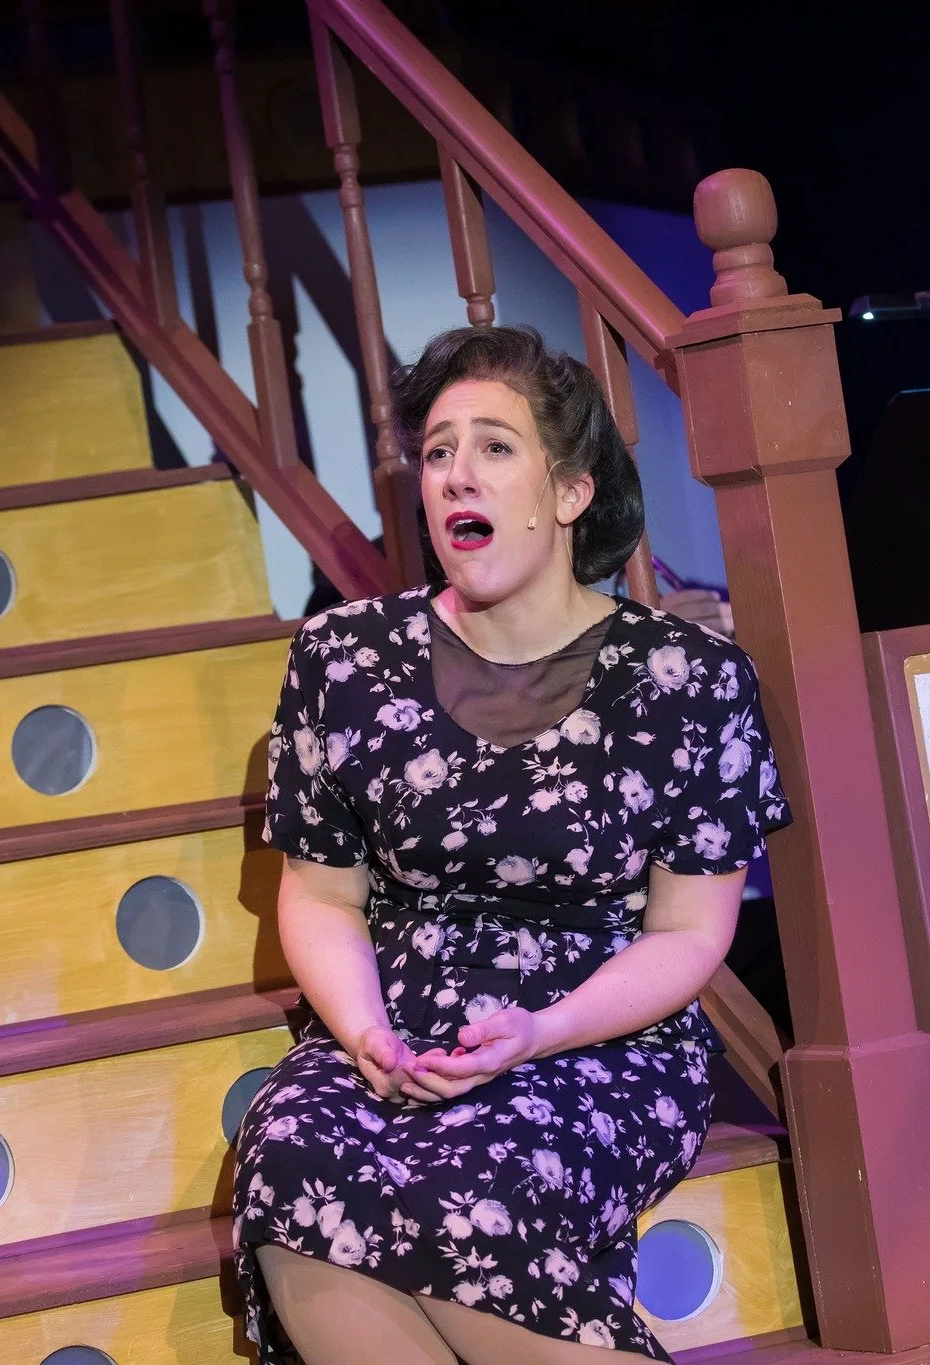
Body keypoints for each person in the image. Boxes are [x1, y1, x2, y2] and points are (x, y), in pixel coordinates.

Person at [230, 324, 791, 1363]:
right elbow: (317, 896)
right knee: (293, 1149)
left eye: (493, 447)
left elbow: (686, 934)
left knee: (476, 1181)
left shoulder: (685, 680)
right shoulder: (344, 657)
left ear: (569, 491)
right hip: (396, 1029)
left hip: (598, 1030)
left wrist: (542, 1031)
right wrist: (361, 1034)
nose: (454, 477)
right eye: (437, 452)